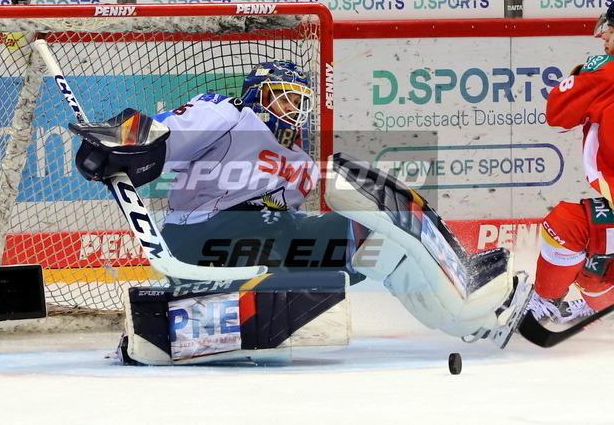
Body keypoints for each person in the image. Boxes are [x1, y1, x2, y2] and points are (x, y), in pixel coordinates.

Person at [71, 61, 518, 364]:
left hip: (264, 241)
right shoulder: (230, 115)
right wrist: (117, 142)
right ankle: (202, 316)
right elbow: (165, 133)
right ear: (257, 95)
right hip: (202, 237)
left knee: (371, 236)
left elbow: (289, 222)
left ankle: (463, 308)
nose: (294, 110)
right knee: (309, 232)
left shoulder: (301, 162)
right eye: (283, 97)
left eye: (299, 101)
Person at [528, 4, 614, 323]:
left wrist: (585, 75)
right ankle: (601, 307)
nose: (603, 35)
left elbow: (558, 116)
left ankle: (545, 303)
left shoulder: (607, 74)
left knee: (569, 227)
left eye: (611, 30)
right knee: (594, 258)